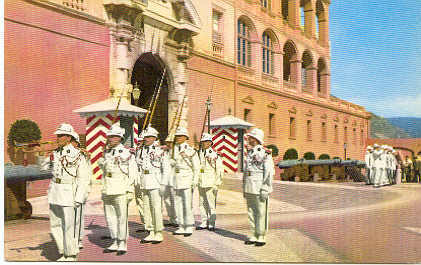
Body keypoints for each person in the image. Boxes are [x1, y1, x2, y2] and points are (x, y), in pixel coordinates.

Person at [37, 123, 91, 261]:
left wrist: (79, 197)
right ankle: (64, 251)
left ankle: (71, 255)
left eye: (61, 135)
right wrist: (41, 155)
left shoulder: (78, 154)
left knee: (69, 226)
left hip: (69, 192)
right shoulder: (55, 153)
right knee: (55, 225)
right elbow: (43, 169)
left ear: (68, 137)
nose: (58, 137)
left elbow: (83, 178)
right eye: (58, 135)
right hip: (55, 191)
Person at [97, 123, 137, 255]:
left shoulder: (126, 152)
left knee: (121, 217)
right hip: (108, 188)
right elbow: (105, 170)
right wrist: (101, 162)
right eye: (109, 136)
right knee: (110, 217)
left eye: (114, 137)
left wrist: (130, 190)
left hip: (121, 189)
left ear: (120, 138)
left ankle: (122, 242)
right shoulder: (107, 152)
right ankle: (114, 240)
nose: (111, 139)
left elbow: (132, 172)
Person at [135, 126, 169, 243]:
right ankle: (150, 231)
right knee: (147, 208)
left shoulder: (160, 151)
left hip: (155, 182)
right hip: (144, 181)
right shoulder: (140, 151)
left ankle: (158, 232)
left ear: (155, 138)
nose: (147, 139)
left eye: (149, 137)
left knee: (156, 208)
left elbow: (166, 168)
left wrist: (164, 184)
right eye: (145, 137)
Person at [243, 128, 274, 246]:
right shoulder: (250, 152)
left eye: (250, 137)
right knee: (251, 211)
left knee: (261, 212)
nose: (249, 139)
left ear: (255, 139)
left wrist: (266, 188)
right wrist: (244, 188)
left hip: (259, 187)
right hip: (250, 187)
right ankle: (254, 234)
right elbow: (247, 172)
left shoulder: (265, 153)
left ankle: (261, 235)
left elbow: (269, 172)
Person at [170, 127, 199, 236]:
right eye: (177, 136)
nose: (178, 138)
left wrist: (194, 181)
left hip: (187, 179)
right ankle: (181, 225)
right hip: (176, 179)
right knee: (178, 203)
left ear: (185, 137)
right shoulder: (174, 149)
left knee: (187, 203)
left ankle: (189, 226)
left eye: (180, 136)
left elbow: (196, 167)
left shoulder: (190, 150)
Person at [196, 133, 223, 231]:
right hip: (201, 181)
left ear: (211, 143)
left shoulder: (215, 154)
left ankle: (211, 223)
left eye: (206, 142)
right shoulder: (199, 152)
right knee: (202, 203)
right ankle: (204, 222)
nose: (204, 143)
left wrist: (217, 183)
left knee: (211, 204)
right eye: (203, 142)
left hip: (211, 181)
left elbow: (219, 169)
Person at [70, 134, 92, 250]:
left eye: (73, 142)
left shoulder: (82, 155)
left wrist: (83, 191)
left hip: (79, 187)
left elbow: (86, 175)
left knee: (77, 216)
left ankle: (78, 240)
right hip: (67, 189)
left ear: (77, 143)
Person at [161, 135, 178, 227]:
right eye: (167, 142)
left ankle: (177, 219)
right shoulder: (165, 152)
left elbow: (176, 163)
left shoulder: (177, 152)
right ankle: (171, 218)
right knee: (167, 200)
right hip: (166, 180)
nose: (168, 144)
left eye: (170, 142)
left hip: (174, 179)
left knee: (175, 200)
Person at [134, 132, 146, 233]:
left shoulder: (148, 151)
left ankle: (149, 224)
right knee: (139, 201)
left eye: (141, 141)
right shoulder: (138, 150)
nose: (139, 143)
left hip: (145, 177)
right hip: (137, 178)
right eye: (138, 141)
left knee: (146, 201)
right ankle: (145, 223)